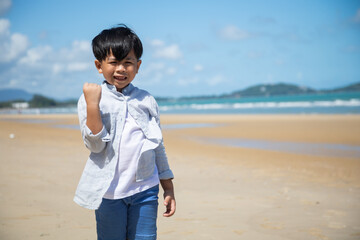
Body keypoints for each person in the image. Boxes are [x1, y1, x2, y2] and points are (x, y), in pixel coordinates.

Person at [74, 24, 175, 240]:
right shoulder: (91, 98)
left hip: (145, 190)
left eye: (128, 62)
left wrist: (167, 186)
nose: (121, 69)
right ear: (99, 65)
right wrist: (93, 105)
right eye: (114, 62)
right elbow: (95, 145)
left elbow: (157, 145)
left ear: (137, 66)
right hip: (108, 192)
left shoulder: (146, 100)